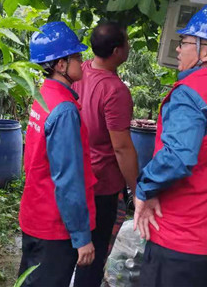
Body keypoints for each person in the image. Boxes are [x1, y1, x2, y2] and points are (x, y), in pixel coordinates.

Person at [133, 4, 207, 287]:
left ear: (206, 52)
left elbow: (176, 158)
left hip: (180, 241)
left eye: (185, 42)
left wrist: (144, 188)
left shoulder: (191, 94)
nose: (178, 49)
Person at [18, 21, 97, 286]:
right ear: (61, 65)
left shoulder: (43, 96)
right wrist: (81, 237)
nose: (82, 62)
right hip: (54, 225)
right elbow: (68, 179)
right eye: (77, 56)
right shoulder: (64, 110)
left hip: (34, 213)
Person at [73, 21, 138, 287]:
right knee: (94, 254)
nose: (129, 46)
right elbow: (121, 147)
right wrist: (137, 189)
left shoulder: (80, 71)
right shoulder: (114, 91)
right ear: (116, 51)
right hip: (102, 186)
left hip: (76, 177)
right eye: (126, 42)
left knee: (77, 248)